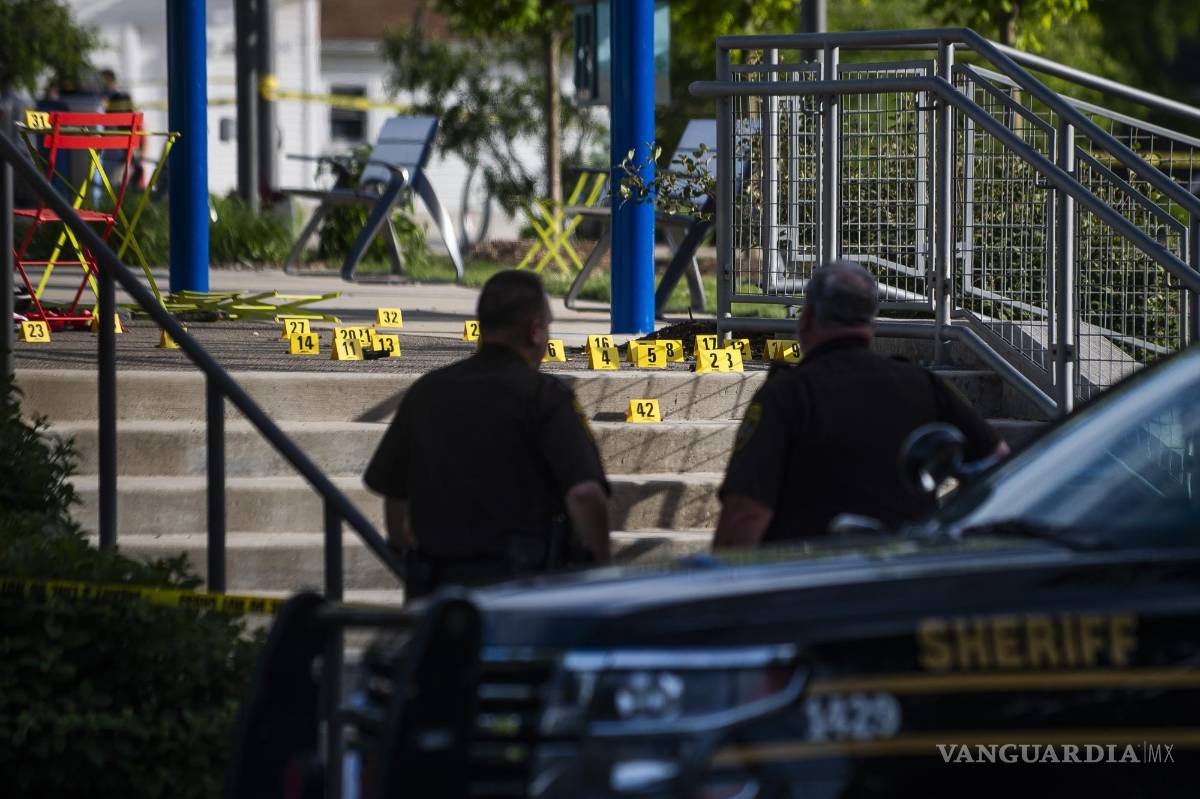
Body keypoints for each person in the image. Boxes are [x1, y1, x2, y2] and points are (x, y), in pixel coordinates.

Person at [714, 260, 1009, 548]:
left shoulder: (787, 394)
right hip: (904, 571)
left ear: (806, 319)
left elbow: (745, 514)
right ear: (871, 322)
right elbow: (999, 463)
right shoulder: (923, 385)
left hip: (810, 573)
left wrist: (721, 575)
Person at [364, 270, 611, 597]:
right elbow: (585, 495)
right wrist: (601, 573)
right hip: (523, 591)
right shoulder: (545, 397)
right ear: (535, 330)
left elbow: (395, 498)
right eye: (549, 326)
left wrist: (407, 553)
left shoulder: (428, 391)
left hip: (441, 593)